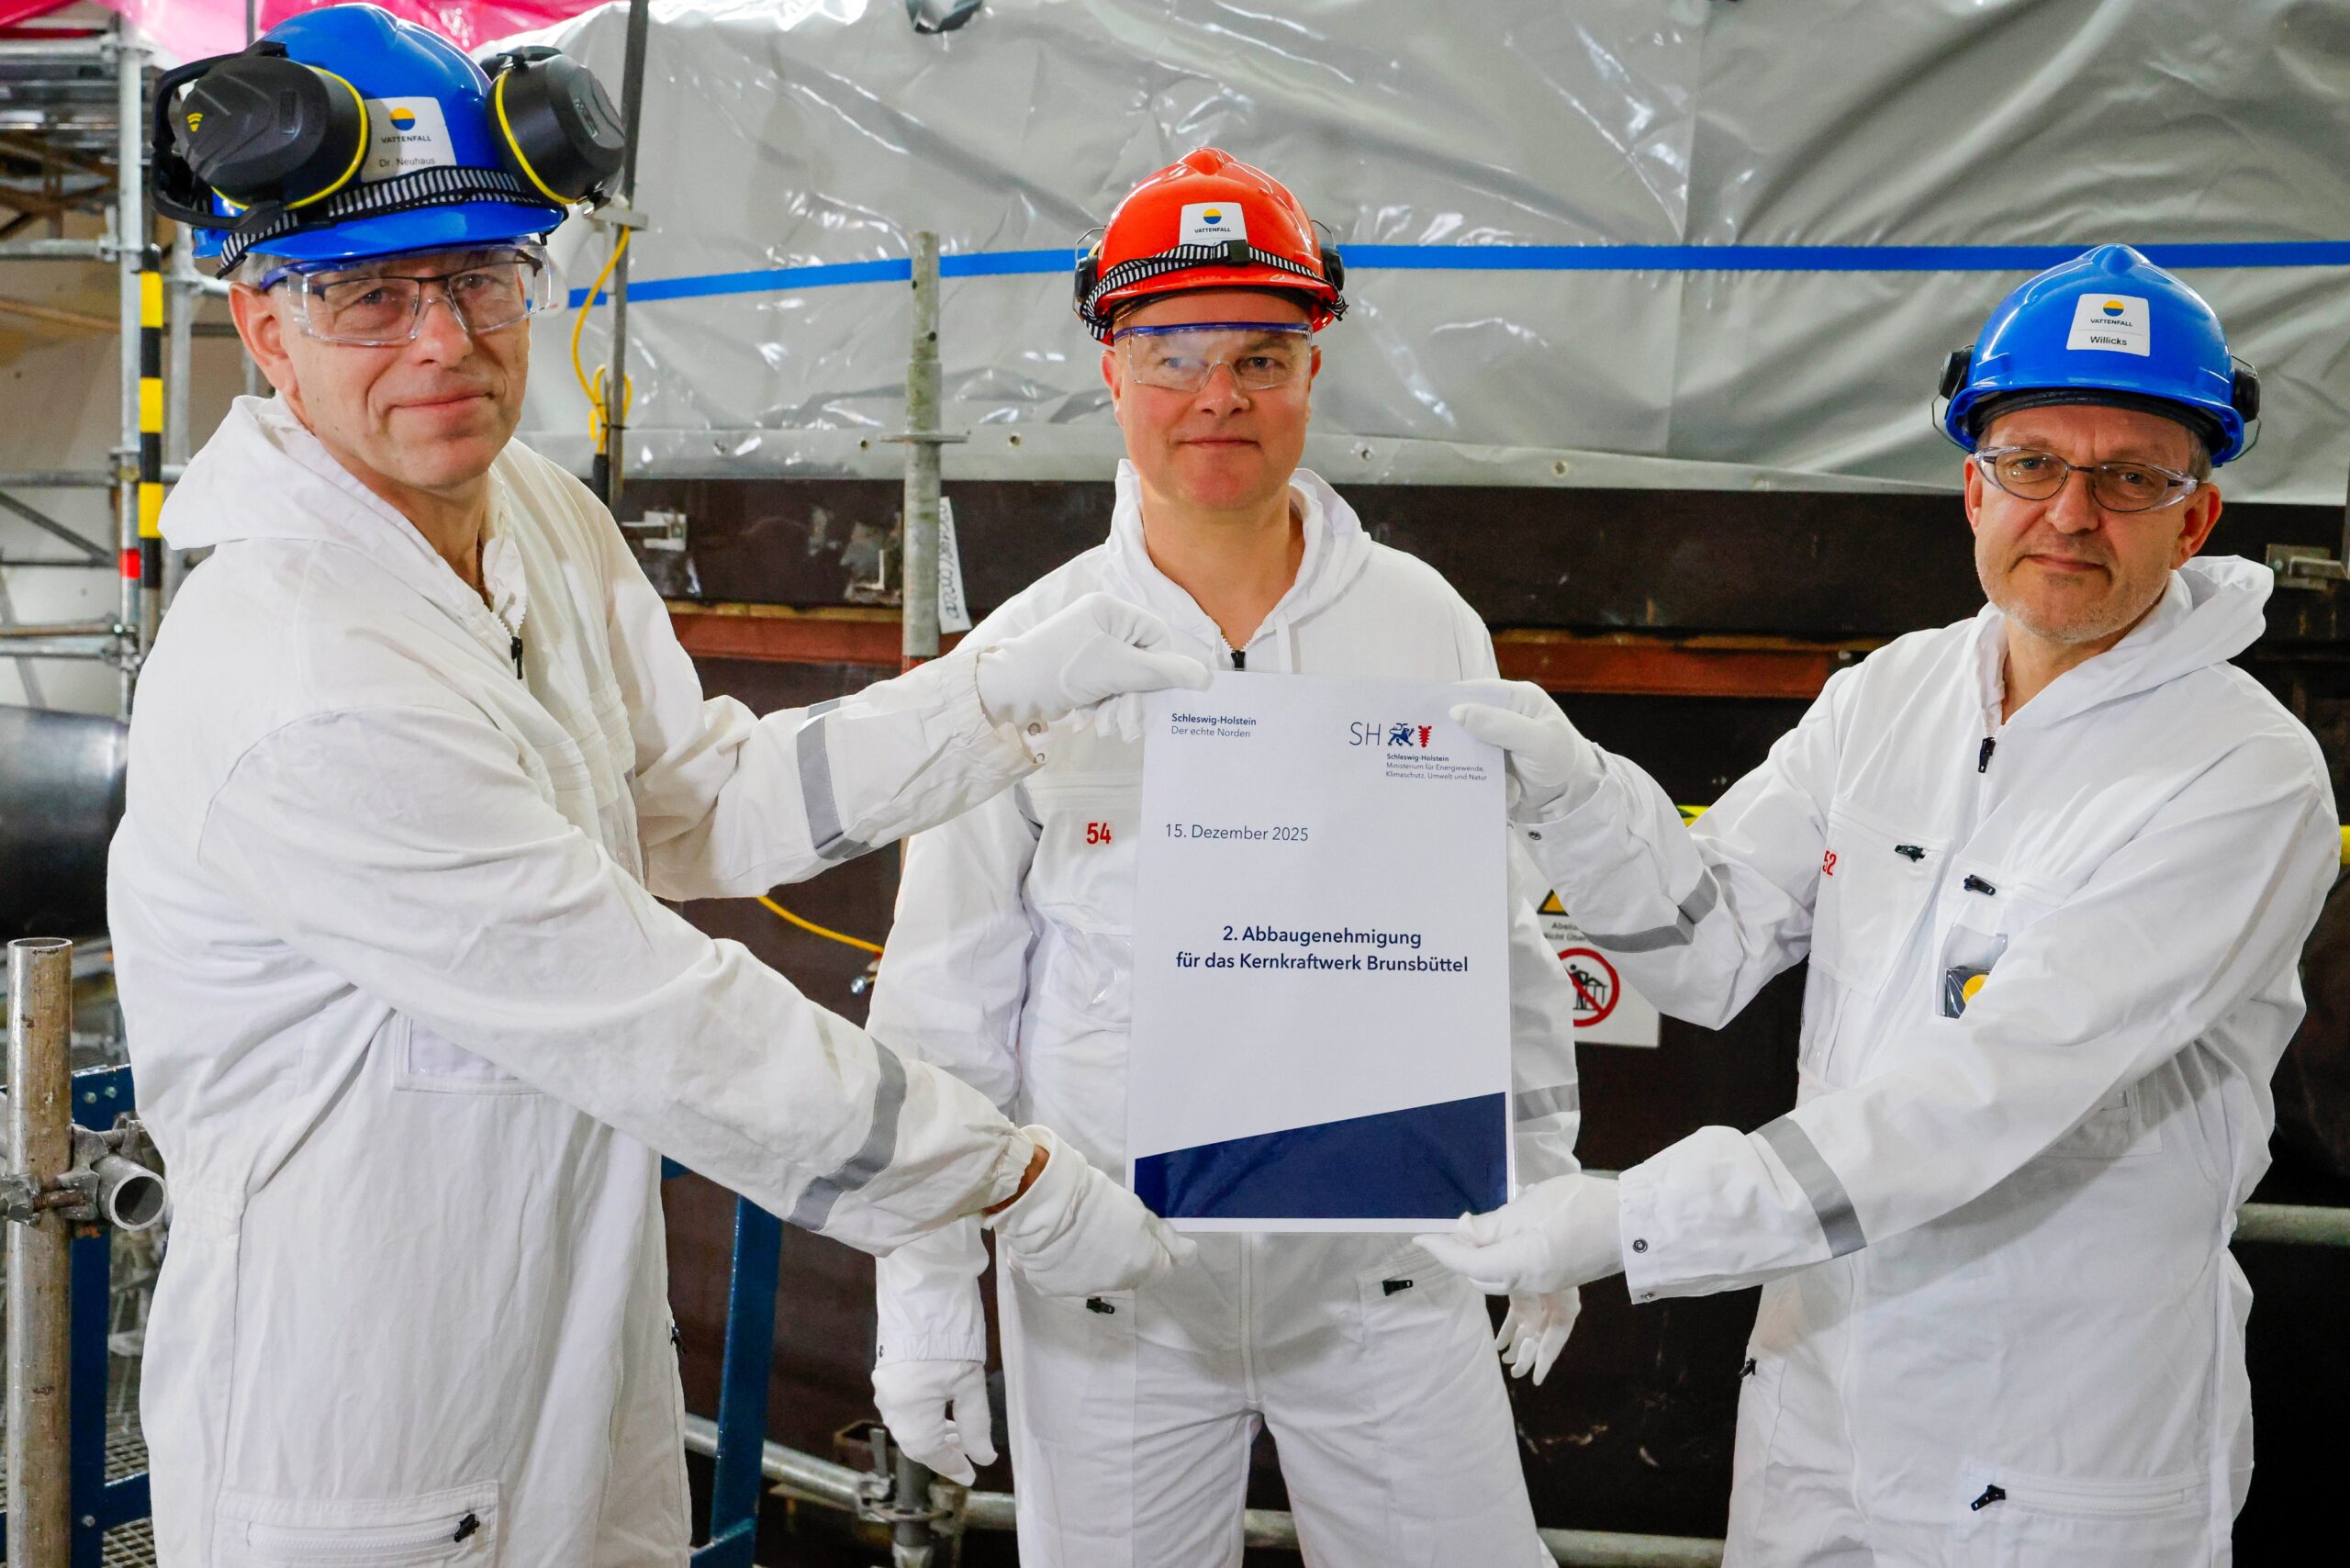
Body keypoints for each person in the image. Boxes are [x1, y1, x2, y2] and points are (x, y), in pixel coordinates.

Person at [109, 8, 1204, 1562]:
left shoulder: (534, 512)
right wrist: (1006, 1183)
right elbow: (650, 1012)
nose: (444, 341)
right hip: (363, 1402)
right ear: (265, 326)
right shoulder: (297, 671)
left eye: (481, 275)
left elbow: (690, 801)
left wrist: (992, 695)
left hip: (574, 1343)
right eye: (367, 294)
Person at [1420, 243, 2337, 1565]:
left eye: (2132, 477)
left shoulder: (2239, 774)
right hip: (1821, 1413)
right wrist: (1578, 796)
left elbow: (1988, 1094)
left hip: (2051, 1451)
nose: (2072, 513)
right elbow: (1707, 944)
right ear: (1973, 487)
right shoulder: (1891, 695)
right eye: (2032, 463)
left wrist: (1632, 1220)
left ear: (2195, 520)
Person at [864, 147, 1583, 1567]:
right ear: (1110, 368)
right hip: (1113, 1284)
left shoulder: (1424, 627)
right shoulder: (1028, 655)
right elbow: (945, 1001)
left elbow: (1496, 937)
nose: (1218, 398)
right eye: (1172, 356)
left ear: (1314, 365)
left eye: (1260, 356)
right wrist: (926, 1290)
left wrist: (1545, 1176)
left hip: (1388, 1267)